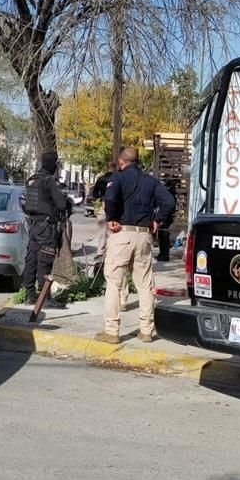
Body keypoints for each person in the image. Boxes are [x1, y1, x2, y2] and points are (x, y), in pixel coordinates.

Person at [96, 147, 175, 344]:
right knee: (145, 284)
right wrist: (158, 220)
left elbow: (110, 198)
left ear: (121, 162)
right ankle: (146, 330)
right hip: (144, 235)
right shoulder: (151, 181)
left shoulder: (118, 178)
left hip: (121, 233)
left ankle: (112, 331)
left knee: (114, 282)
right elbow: (169, 201)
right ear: (137, 161)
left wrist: (112, 218)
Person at [22, 151, 69, 309]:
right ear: (54, 165)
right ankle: (45, 298)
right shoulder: (48, 181)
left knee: (31, 259)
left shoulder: (32, 179)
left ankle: (29, 295)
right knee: (45, 260)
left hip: (33, 225)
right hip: (46, 227)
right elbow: (61, 204)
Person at [90, 161, 118, 271]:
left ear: (107, 167)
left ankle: (100, 253)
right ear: (116, 167)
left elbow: (94, 194)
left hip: (103, 204)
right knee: (112, 232)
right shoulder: (118, 178)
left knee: (102, 232)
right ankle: (110, 253)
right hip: (115, 206)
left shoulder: (101, 179)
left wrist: (101, 196)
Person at [156, 179, 179, 262]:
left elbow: (168, 207)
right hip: (167, 216)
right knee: (162, 235)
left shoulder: (169, 194)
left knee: (164, 235)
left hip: (167, 217)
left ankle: (164, 255)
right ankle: (162, 253)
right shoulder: (170, 194)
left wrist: (162, 217)